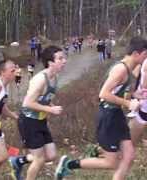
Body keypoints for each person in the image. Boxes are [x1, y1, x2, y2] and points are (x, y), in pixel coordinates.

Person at [55, 37, 147, 180]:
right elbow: (103, 94)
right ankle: (69, 164)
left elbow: (118, 91)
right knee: (111, 163)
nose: (146, 58)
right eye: (145, 55)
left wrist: (135, 94)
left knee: (129, 156)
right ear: (136, 53)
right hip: (108, 117)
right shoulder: (120, 69)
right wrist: (129, 104)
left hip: (117, 116)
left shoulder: (129, 68)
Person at [9, 45, 66, 180]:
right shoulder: (40, 79)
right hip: (28, 121)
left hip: (40, 121)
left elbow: (43, 99)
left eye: (64, 58)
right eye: (60, 58)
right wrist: (50, 110)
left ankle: (18, 161)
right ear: (50, 62)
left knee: (51, 155)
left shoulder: (54, 78)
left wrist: (51, 105)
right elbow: (28, 103)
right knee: (39, 160)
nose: (64, 61)